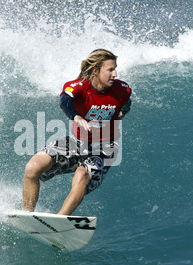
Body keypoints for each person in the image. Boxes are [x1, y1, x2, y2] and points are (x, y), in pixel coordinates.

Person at [22, 49, 132, 215]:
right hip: (76, 142)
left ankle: (59, 222)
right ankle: (26, 215)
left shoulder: (122, 89)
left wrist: (123, 112)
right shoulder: (79, 86)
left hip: (104, 147)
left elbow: (126, 103)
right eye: (110, 70)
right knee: (32, 167)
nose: (115, 74)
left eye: (115, 69)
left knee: (81, 174)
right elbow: (64, 101)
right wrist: (76, 117)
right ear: (95, 70)